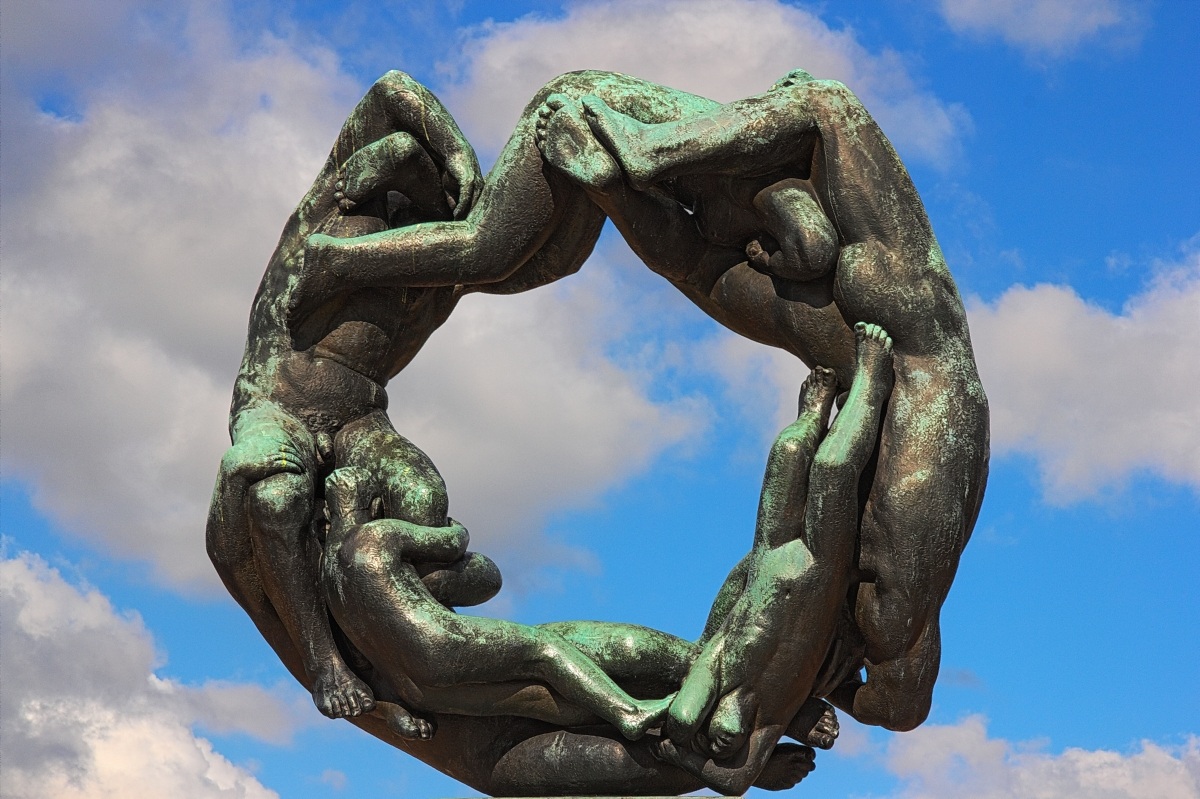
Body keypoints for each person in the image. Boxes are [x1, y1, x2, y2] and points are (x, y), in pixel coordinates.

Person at [534, 72, 990, 736]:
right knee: (708, 252)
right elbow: (898, 708)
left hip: (912, 367)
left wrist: (808, 703)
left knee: (826, 105)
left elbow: (896, 705)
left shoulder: (871, 610)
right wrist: (809, 705)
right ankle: (625, 170)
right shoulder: (859, 608)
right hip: (896, 374)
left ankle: (641, 157)